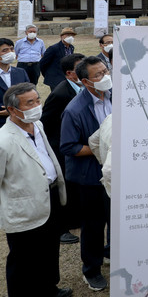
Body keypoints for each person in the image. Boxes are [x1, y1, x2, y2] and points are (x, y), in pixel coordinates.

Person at [0, 83, 72, 297]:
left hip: (50, 198)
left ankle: (49, 288)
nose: (36, 106)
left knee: (49, 250)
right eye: (29, 103)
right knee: (22, 259)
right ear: (12, 110)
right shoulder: (3, 141)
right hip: (24, 208)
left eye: (37, 100)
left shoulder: (37, 125)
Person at [60, 56, 112, 291]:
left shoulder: (116, 96)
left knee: (117, 219)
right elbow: (68, 146)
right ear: (85, 82)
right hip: (90, 177)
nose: (105, 76)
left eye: (105, 70)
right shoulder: (75, 110)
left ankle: (113, 253)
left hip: (116, 172)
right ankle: (91, 270)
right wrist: (103, 148)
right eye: (98, 75)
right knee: (93, 225)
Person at [41, 53, 86, 245]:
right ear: (70, 73)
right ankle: (61, 229)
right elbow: (46, 123)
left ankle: (74, 219)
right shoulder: (60, 94)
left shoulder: (83, 88)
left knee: (75, 187)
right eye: (81, 66)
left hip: (76, 146)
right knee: (63, 189)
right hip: (61, 148)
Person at [0, 38, 30, 127]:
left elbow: (29, 94)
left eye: (12, 49)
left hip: (20, 121)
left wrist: (15, 110)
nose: (10, 52)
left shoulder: (21, 72)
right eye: (5, 50)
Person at [89, 114, 112, 198]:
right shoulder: (129, 126)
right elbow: (108, 170)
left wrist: (103, 160)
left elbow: (93, 141)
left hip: (108, 186)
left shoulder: (111, 118)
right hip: (117, 192)